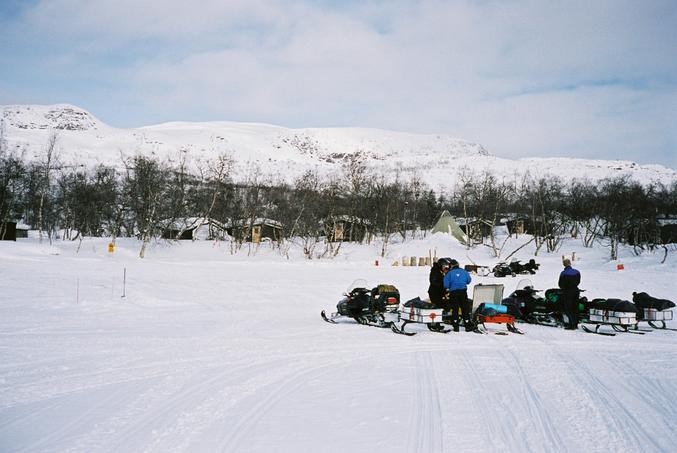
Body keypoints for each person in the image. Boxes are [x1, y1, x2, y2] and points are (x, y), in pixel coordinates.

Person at [443, 259, 472, 331]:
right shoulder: (464, 272)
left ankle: (456, 326)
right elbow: (469, 281)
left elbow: (445, 285)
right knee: (465, 308)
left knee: (455, 309)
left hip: (453, 293)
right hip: (463, 292)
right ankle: (467, 325)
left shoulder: (449, 273)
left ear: (451, 266)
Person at [558, 258, 581, 330]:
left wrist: (564, 288)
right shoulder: (577, 272)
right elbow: (578, 281)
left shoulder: (563, 273)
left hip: (568, 292)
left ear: (564, 264)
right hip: (576, 291)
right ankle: (576, 324)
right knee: (575, 308)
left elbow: (560, 284)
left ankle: (571, 325)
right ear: (570, 263)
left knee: (568, 308)